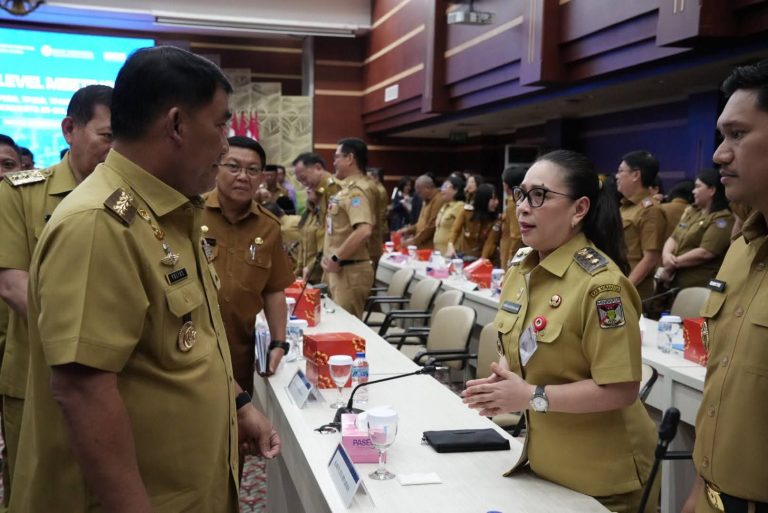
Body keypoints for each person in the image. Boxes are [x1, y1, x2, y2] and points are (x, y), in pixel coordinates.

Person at [10, 46, 279, 513]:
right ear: (175, 125)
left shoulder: (169, 212)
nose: (224, 146)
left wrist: (237, 404)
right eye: (219, 126)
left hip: (186, 490)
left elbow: (184, 342)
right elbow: (82, 391)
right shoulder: (99, 223)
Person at [462, 149, 657, 513]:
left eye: (539, 196)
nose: (522, 207)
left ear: (579, 209)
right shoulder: (522, 268)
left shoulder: (602, 287)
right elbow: (521, 349)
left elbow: (621, 389)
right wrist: (502, 384)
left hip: (602, 477)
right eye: (521, 194)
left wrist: (530, 395)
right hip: (545, 465)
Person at [0, 85, 113, 504]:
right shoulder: (21, 192)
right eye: (107, 135)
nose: (114, 149)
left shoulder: (125, 201)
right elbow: (13, 285)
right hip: (37, 377)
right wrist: (88, 339)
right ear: (70, 129)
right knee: (37, 493)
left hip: (112, 381)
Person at [682, 59, 768, 513]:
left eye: (737, 134)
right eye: (721, 136)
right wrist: (700, 488)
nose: (719, 154)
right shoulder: (741, 250)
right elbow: (724, 390)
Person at [202, 135, 294, 393]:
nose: (243, 176)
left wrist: (279, 342)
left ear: (261, 177)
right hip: (190, 354)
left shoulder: (269, 226)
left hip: (239, 352)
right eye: (233, 167)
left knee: (237, 430)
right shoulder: (190, 214)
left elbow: (274, 289)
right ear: (216, 167)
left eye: (252, 170)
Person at [321, 137, 376, 318]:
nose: (334, 162)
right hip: (340, 269)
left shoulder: (357, 191)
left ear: (350, 158)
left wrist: (336, 257)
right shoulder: (345, 189)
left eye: (337, 157)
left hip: (350, 271)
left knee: (346, 329)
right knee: (333, 324)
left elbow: (364, 230)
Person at [657, 169, 733, 291]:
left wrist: (672, 264)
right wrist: (666, 256)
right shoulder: (692, 211)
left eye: (698, 187)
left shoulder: (722, 219)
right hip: (675, 284)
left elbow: (706, 252)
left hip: (697, 286)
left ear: (712, 190)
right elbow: (673, 237)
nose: (693, 191)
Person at [616, 150, 667, 299]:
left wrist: (623, 289)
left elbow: (650, 258)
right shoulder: (626, 207)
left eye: (621, 171)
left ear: (636, 175)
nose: (617, 176)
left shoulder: (651, 210)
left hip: (631, 293)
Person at [446, 182, 500, 262]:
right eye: (493, 199)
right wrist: (450, 245)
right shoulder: (467, 212)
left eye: (497, 198)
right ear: (483, 200)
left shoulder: (497, 219)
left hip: (485, 260)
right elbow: (455, 230)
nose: (497, 202)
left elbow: (490, 243)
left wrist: (481, 261)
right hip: (465, 257)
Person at [398, 174, 446, 249]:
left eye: (419, 192)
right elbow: (420, 223)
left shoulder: (438, 200)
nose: (419, 195)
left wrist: (414, 241)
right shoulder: (426, 200)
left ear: (427, 188)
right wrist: (407, 230)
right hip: (421, 245)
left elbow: (431, 226)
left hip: (430, 246)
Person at [500, 164, 527, 270]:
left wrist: (511, 261)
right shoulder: (515, 202)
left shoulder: (513, 203)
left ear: (505, 185)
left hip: (511, 254)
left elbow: (516, 235)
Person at [433, 175, 465, 254]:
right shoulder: (444, 206)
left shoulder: (460, 206)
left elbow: (459, 230)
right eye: (442, 187)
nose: (442, 190)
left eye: (446, 187)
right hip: (438, 251)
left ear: (456, 190)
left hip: (450, 252)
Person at [367, 167, 389, 271]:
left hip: (378, 226)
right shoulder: (376, 189)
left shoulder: (379, 191)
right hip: (378, 225)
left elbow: (379, 213)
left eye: (369, 177)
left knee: (374, 257)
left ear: (376, 178)